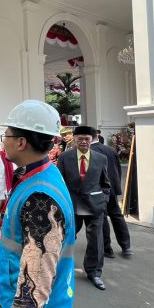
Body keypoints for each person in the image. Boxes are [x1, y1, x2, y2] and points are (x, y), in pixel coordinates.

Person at [0, 100, 76, 308]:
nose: (3, 140)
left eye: (6, 134)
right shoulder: (39, 173)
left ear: (21, 142)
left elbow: (37, 276)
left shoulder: (40, 197)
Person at [57, 125, 111, 291]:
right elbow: (60, 183)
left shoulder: (101, 158)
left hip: (94, 205)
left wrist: (103, 199)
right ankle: (59, 269)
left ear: (92, 139)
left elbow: (106, 183)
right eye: (80, 139)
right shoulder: (65, 157)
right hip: (72, 205)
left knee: (96, 239)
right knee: (66, 238)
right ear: (74, 139)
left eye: (87, 139)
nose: (83, 142)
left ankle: (94, 272)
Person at [89, 129, 133, 258]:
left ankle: (107, 249)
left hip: (97, 190)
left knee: (101, 218)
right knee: (117, 216)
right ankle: (126, 246)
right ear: (97, 136)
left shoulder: (88, 152)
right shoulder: (111, 150)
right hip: (112, 188)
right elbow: (118, 169)